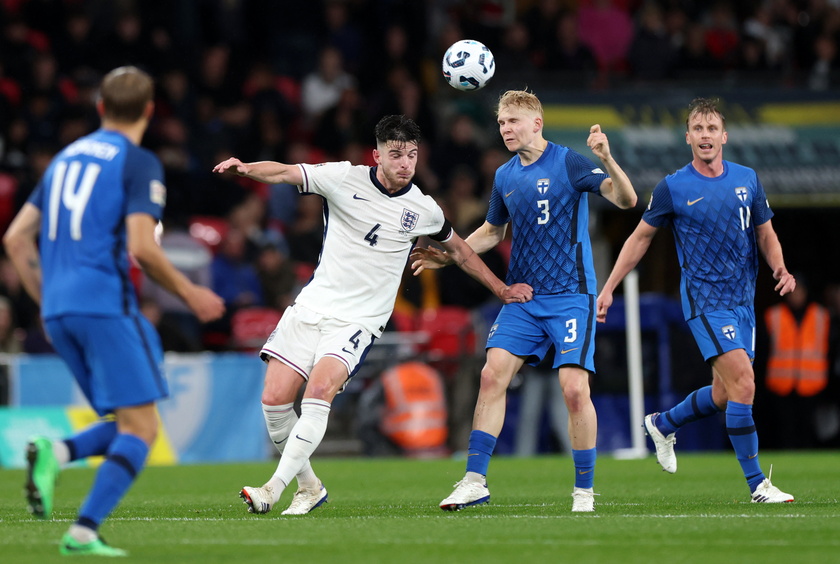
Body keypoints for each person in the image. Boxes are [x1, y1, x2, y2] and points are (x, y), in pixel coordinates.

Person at [211, 114, 533, 516]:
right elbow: (284, 173)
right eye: (396, 154)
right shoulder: (343, 178)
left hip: (358, 322)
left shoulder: (424, 209)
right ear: (376, 153)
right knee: (274, 402)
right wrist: (246, 169)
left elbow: (461, 252)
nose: (405, 163)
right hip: (312, 306)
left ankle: (273, 488)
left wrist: (501, 289)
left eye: (412, 155)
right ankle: (309, 487)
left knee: (317, 393)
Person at [2, 66, 225, 556]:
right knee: (144, 428)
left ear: (100, 107)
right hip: (104, 304)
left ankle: (57, 454)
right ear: (149, 111)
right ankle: (83, 531)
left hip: (59, 312)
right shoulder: (137, 161)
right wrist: (191, 294)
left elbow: (15, 239)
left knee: (131, 420)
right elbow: (143, 247)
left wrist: (48, 303)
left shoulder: (62, 160)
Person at [411, 89, 638, 513]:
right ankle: (474, 480)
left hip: (572, 295)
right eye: (500, 123)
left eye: (513, 121)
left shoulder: (568, 161)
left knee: (573, 390)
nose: (505, 129)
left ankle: (584, 492)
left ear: (537, 123)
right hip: (525, 297)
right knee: (491, 376)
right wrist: (449, 256)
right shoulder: (504, 176)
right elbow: (493, 231)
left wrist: (606, 158)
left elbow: (626, 200)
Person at [595, 97, 795, 503]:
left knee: (724, 394)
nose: (705, 136)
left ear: (724, 135)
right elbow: (640, 239)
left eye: (711, 129)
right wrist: (609, 286)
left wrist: (780, 268)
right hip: (705, 300)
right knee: (744, 383)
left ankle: (663, 423)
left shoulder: (747, 179)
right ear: (688, 137)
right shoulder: (673, 187)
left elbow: (765, 232)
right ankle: (758, 485)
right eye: (697, 129)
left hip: (742, 302)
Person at [760, 275, 830, 449]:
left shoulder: (821, 315)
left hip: (811, 383)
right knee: (784, 427)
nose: (796, 295)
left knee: (808, 426)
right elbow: (763, 350)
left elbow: (829, 348)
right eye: (792, 292)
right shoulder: (773, 315)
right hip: (781, 383)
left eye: (799, 291)